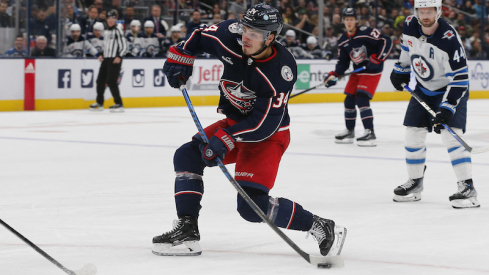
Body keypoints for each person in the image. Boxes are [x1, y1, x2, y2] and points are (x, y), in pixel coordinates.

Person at [152, 3, 347, 257]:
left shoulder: (281, 70)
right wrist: (181, 57)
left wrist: (226, 139)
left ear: (271, 38)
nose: (246, 37)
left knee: (251, 207)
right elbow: (198, 35)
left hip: (268, 136)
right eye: (246, 29)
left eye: (255, 34)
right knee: (187, 155)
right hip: (234, 124)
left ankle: (319, 225)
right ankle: (187, 230)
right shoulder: (228, 36)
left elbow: (264, 124)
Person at [389, 0, 478, 208]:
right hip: (423, 87)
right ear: (416, 11)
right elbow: (405, 47)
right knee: (412, 134)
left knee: (451, 136)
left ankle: (468, 188)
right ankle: (415, 183)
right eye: (422, 10)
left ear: (438, 12)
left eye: (430, 10)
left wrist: (447, 108)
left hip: (450, 88)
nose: (425, 15)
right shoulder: (410, 24)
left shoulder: (449, 39)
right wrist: (400, 69)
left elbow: (461, 78)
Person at [324, 8, 392, 147]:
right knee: (349, 100)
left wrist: (378, 59)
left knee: (361, 98)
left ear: (356, 20)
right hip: (357, 71)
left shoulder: (366, 32)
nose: (349, 22)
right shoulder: (343, 40)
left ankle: (370, 131)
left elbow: (386, 41)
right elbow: (343, 62)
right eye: (347, 19)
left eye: (351, 19)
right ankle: (350, 131)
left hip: (372, 71)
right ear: (343, 21)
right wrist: (335, 75)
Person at [89, 10, 128, 113]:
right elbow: (106, 45)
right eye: (109, 18)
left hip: (115, 58)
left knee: (111, 81)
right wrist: (101, 53)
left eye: (112, 18)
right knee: (100, 81)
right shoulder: (106, 31)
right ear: (106, 20)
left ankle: (119, 104)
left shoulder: (118, 30)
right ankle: (99, 102)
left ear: (115, 20)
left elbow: (124, 45)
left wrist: (119, 56)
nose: (110, 20)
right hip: (106, 59)